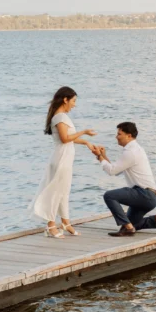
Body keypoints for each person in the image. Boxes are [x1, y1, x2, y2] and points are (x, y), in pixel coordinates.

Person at [30, 86, 98, 238]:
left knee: (63, 192)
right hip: (61, 158)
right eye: (73, 101)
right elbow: (65, 139)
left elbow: (69, 138)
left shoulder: (61, 117)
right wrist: (84, 131)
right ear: (65, 99)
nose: (74, 104)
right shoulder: (60, 117)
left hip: (65, 157)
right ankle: (51, 226)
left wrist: (86, 142)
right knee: (55, 192)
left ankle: (66, 223)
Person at [92, 122, 156, 237]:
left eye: (119, 134)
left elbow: (112, 171)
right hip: (150, 197)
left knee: (109, 195)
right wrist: (103, 156)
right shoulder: (135, 149)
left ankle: (128, 228)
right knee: (131, 224)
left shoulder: (131, 152)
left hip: (144, 194)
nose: (116, 136)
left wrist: (99, 156)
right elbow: (116, 171)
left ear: (128, 135)